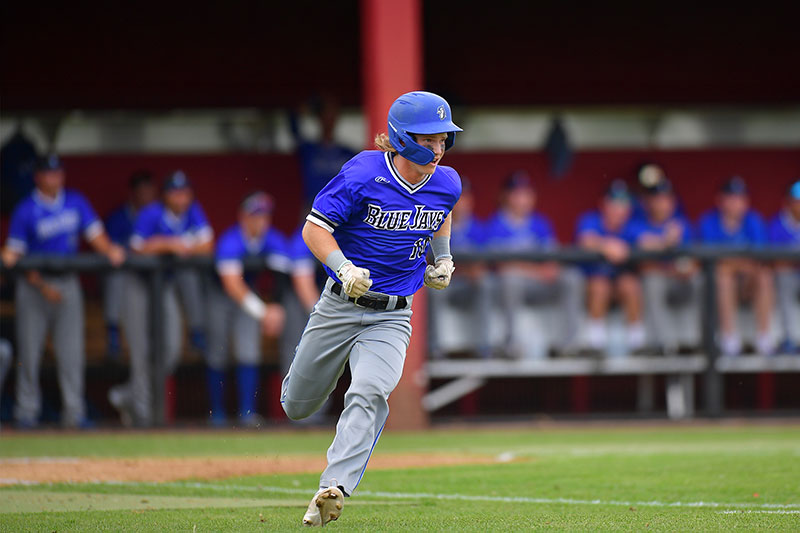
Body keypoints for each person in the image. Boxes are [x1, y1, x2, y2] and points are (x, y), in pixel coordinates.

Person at [280, 91, 462, 526]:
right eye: (429, 139)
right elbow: (313, 228)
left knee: (369, 391)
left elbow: (442, 213)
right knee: (296, 406)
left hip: (392, 314)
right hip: (341, 304)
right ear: (400, 139)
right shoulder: (363, 171)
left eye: (444, 140)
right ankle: (309, 405)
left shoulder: (447, 181)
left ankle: (334, 486)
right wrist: (342, 267)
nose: (438, 149)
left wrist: (443, 258)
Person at [1, 154, 125, 428]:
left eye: (58, 173)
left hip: (68, 281)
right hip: (34, 285)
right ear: (38, 177)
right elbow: (15, 257)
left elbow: (96, 236)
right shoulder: (26, 209)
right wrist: (43, 286)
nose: (55, 178)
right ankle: (26, 412)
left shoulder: (75, 201)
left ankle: (74, 412)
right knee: (29, 354)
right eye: (48, 174)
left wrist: (110, 250)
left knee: (72, 353)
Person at [108, 170, 214, 427]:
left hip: (164, 286)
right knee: (141, 351)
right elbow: (138, 248)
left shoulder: (193, 211)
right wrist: (171, 244)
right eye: (175, 192)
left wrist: (173, 244)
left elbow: (208, 244)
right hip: (137, 285)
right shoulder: (151, 213)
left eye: (185, 192)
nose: (181, 197)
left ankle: (126, 395)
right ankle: (144, 418)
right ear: (166, 195)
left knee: (171, 349)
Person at [206, 192, 288, 427]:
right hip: (220, 294)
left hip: (250, 295)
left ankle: (247, 413)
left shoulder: (272, 239)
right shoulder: (231, 239)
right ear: (243, 217)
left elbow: (281, 275)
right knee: (217, 352)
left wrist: (277, 308)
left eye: (264, 216)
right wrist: (264, 312)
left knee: (248, 351)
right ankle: (217, 414)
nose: (260, 221)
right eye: (255, 216)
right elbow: (232, 284)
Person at [482, 171, 582, 357]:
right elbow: (503, 266)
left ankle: (571, 343)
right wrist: (537, 271)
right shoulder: (495, 224)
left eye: (527, 193)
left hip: (538, 285)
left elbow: (552, 257)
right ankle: (511, 343)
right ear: (506, 196)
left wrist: (551, 267)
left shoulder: (540, 223)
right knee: (511, 278)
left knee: (571, 277)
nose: (523, 199)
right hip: (506, 289)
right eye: (517, 194)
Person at [698, 176, 773, 356]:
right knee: (723, 278)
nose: (735, 203)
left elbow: (760, 259)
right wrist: (739, 264)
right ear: (720, 200)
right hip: (716, 290)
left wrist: (732, 263)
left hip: (747, 285)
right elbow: (711, 262)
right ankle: (729, 338)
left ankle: (764, 338)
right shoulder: (708, 221)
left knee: (764, 275)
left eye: (740, 198)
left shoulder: (754, 221)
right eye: (730, 197)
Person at [576, 180, 646, 354]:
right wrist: (607, 245)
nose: (617, 207)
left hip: (621, 289)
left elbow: (648, 241)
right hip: (591, 290)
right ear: (603, 204)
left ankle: (636, 342)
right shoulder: (591, 219)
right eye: (613, 202)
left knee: (630, 284)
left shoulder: (632, 225)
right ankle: (595, 343)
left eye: (623, 203)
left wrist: (666, 240)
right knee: (600, 285)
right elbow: (586, 239)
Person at [426, 177, 493, 359]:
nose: (461, 203)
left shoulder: (479, 228)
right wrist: (463, 270)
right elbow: (426, 261)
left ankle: (483, 345)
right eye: (457, 198)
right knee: (433, 289)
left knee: (485, 283)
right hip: (444, 285)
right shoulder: (435, 225)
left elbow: (485, 264)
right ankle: (435, 347)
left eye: (465, 197)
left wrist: (474, 271)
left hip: (468, 287)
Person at [633, 179, 700, 355]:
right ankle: (661, 344)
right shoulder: (638, 224)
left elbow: (692, 264)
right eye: (657, 199)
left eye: (666, 198)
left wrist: (672, 267)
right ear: (647, 202)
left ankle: (698, 341)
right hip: (654, 287)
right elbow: (644, 261)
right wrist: (666, 243)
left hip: (680, 285)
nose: (662, 203)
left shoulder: (683, 225)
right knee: (652, 280)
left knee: (702, 280)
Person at [103, 171, 158, 360]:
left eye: (149, 191)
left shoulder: (160, 214)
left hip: (154, 276)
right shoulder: (118, 217)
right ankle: (113, 334)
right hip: (129, 277)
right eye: (142, 191)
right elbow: (111, 250)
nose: (146, 196)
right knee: (115, 276)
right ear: (133, 193)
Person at [289, 95, 357, 205]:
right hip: (313, 205)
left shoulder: (347, 153)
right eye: (325, 115)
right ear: (319, 118)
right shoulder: (309, 150)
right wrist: (311, 104)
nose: (328, 120)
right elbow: (294, 130)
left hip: (339, 206)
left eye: (332, 115)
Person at [768, 179, 800, 354]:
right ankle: (789, 338)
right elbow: (775, 262)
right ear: (789, 202)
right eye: (797, 201)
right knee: (784, 275)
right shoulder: (777, 224)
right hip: (785, 281)